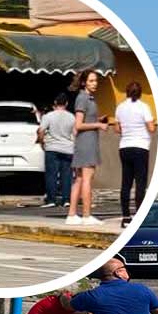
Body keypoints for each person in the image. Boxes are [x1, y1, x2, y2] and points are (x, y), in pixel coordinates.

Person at [66, 69, 108, 226]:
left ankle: (72, 214)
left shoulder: (89, 98)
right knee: (86, 179)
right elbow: (78, 124)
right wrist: (98, 124)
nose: (94, 83)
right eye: (91, 81)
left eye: (96, 80)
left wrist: (97, 119)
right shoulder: (83, 99)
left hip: (87, 141)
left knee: (79, 180)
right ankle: (86, 215)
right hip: (86, 143)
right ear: (84, 82)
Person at [114, 82, 157, 227]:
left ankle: (125, 216)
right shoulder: (143, 107)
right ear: (140, 93)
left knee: (126, 183)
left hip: (125, 147)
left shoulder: (120, 107)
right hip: (141, 147)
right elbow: (151, 127)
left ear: (126, 92)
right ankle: (139, 215)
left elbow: (117, 129)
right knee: (140, 183)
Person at [38, 93, 76, 209]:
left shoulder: (48, 116)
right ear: (66, 104)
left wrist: (42, 143)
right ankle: (66, 200)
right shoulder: (72, 117)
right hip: (68, 148)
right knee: (67, 176)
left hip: (52, 148)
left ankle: (51, 200)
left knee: (51, 175)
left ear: (55, 103)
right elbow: (75, 133)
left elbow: (41, 131)